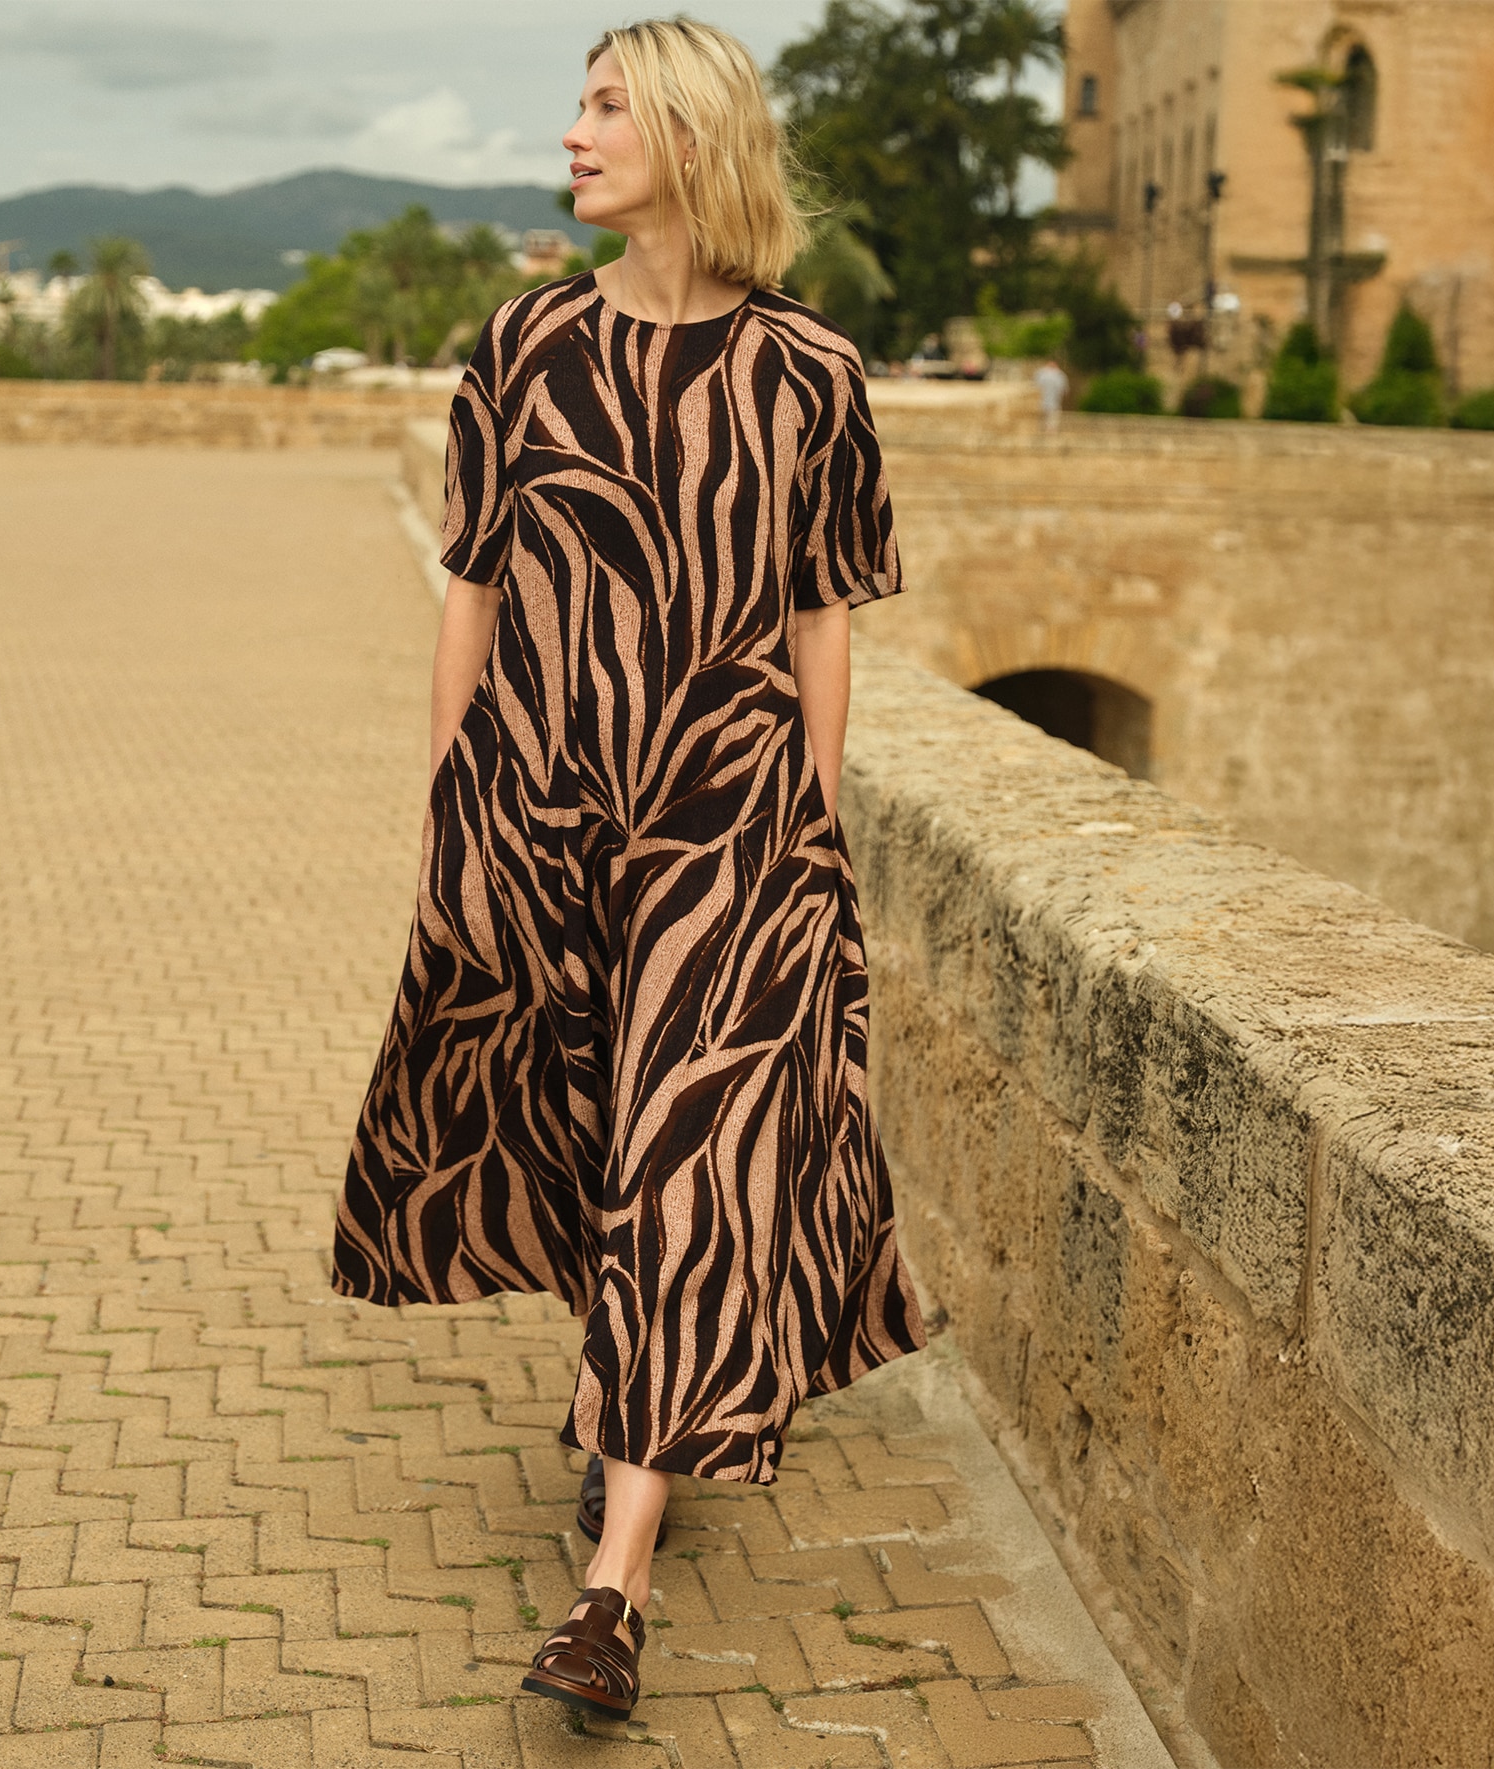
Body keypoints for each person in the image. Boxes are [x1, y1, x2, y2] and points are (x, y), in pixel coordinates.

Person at [334, 16, 925, 1723]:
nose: (573, 131)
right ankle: (632, 1415)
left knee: (683, 1157)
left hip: (728, 829)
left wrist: (806, 826)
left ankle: (615, 1585)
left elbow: (821, 608)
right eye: (580, 103)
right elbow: (471, 583)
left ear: (684, 132)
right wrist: (454, 792)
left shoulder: (811, 369)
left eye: (605, 105)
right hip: (540, 808)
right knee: (595, 1130)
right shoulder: (519, 347)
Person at [1035, 356, 1070, 435]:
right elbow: (1065, 390)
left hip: (1042, 402)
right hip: (1054, 402)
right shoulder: (1060, 375)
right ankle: (1051, 432)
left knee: (1044, 418)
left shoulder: (1041, 373)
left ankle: (1045, 431)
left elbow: (1034, 387)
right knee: (1052, 419)